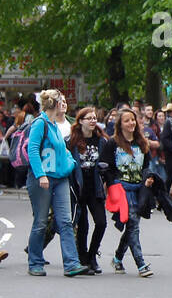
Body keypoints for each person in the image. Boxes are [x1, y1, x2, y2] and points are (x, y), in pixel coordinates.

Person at [25, 90, 89, 276]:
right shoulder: (40, 123)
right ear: (53, 103)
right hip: (42, 180)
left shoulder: (54, 125)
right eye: (61, 101)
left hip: (60, 179)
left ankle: (71, 264)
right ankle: (35, 262)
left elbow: (63, 151)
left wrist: (70, 164)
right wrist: (41, 175)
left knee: (65, 221)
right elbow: (33, 150)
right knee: (41, 221)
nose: (64, 103)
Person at [101, 108, 156, 277]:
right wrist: (112, 185)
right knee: (133, 226)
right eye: (127, 120)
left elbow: (146, 166)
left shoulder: (142, 143)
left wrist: (148, 178)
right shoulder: (113, 143)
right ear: (120, 124)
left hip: (138, 189)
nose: (131, 123)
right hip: (121, 189)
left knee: (132, 226)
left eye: (133, 120)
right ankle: (141, 264)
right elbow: (105, 166)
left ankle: (117, 258)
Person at [67, 107, 110, 274]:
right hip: (78, 186)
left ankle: (92, 256)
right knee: (82, 225)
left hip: (95, 186)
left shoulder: (102, 141)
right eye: (89, 118)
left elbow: (107, 164)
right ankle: (83, 258)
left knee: (101, 223)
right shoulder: (71, 141)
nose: (92, 121)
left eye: (94, 118)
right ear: (80, 121)